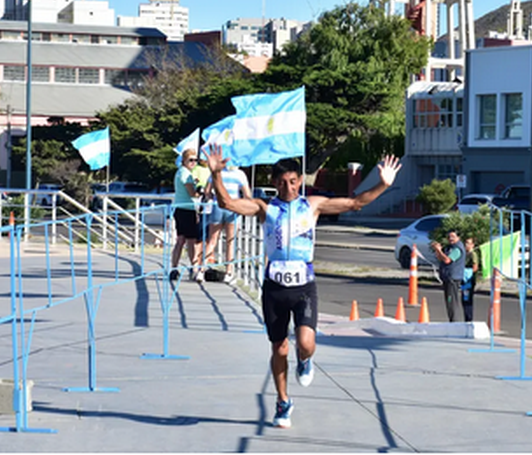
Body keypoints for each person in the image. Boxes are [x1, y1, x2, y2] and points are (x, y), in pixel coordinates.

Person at [205, 144, 401, 429]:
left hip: (303, 286)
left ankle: (305, 360)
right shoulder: (265, 207)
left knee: (306, 343)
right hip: (275, 287)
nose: (289, 187)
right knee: (279, 348)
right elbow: (227, 204)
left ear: (300, 181)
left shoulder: (313, 205)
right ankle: (283, 401)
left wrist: (383, 184)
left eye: (294, 181)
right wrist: (215, 175)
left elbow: (355, 203)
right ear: (274, 183)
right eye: (283, 182)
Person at [204, 164, 252, 283]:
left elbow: (207, 191)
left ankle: (201, 269)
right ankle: (229, 272)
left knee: (212, 240)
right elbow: (247, 195)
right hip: (233, 207)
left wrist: (211, 197)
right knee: (231, 241)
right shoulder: (240, 174)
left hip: (217, 206)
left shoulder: (217, 172)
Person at [170, 149, 202, 282]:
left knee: (181, 240)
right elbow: (192, 193)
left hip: (180, 209)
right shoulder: (185, 173)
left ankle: (174, 268)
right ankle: (193, 269)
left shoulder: (181, 172)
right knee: (190, 241)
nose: (193, 163)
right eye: (191, 160)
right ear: (184, 160)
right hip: (187, 210)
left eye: (195, 160)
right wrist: (200, 192)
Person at [432, 230, 465, 322]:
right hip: (447, 277)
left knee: (452, 301)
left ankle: (454, 321)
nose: (450, 239)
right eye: (449, 237)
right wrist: (437, 250)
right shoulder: (450, 247)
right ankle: (452, 320)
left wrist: (439, 250)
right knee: (448, 301)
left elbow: (447, 260)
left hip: (453, 278)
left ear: (458, 238)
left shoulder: (457, 249)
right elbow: (441, 258)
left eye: (453, 237)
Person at [461, 237, 479, 322]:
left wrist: (467, 272)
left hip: (469, 280)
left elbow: (475, 267)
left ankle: (469, 318)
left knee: (467, 299)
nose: (466, 245)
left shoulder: (473, 254)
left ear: (472, 245)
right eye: (465, 243)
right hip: (464, 280)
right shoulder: (465, 253)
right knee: (464, 299)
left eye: (468, 243)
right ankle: (466, 317)